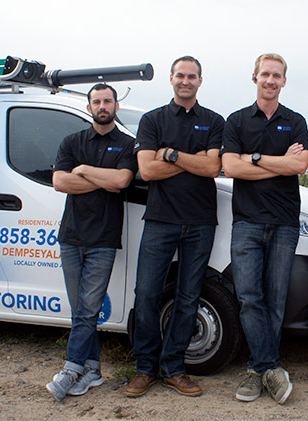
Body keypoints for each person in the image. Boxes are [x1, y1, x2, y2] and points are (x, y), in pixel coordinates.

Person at [125, 56, 224, 398]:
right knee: (148, 294)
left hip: (200, 222)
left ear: (200, 80)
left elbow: (212, 167)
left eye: (192, 76)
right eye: (180, 75)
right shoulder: (152, 120)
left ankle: (174, 369)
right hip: (160, 220)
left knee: (188, 297)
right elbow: (147, 172)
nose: (186, 81)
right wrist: (191, 160)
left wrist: (171, 155)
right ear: (171, 79)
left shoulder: (213, 120)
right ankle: (145, 369)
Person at [221, 53, 308, 405]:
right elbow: (231, 167)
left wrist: (254, 158)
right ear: (254, 78)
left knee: (275, 299)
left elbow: (300, 165)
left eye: (277, 75)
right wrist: (278, 164)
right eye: (265, 74)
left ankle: (258, 371)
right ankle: (270, 367)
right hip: (247, 221)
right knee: (248, 297)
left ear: (284, 81)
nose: (270, 80)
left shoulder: (296, 120)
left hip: (284, 222)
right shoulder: (238, 121)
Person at [46, 83, 137, 401]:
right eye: (96, 101)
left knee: (87, 310)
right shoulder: (72, 141)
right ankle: (93, 370)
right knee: (80, 310)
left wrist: (82, 171)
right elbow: (59, 181)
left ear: (116, 106)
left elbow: (122, 180)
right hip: (71, 237)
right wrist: (101, 179)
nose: (102, 105)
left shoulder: (127, 144)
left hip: (103, 239)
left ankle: (71, 369)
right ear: (89, 107)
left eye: (107, 101)